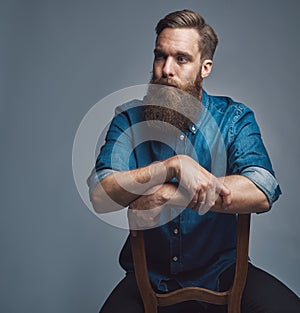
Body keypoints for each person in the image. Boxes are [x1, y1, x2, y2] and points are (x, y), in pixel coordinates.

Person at [88, 9, 300, 313]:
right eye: (160, 56)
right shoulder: (128, 119)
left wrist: (172, 194)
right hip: (148, 278)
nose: (166, 70)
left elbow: (262, 187)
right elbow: (100, 194)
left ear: (205, 67)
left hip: (223, 273)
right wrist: (172, 167)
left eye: (182, 59)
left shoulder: (233, 118)